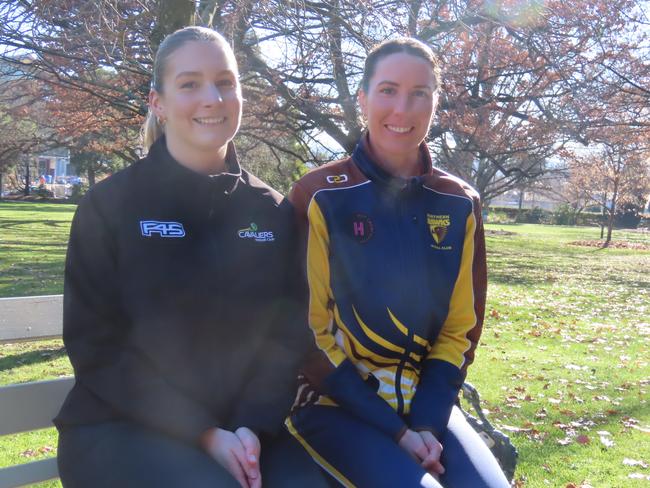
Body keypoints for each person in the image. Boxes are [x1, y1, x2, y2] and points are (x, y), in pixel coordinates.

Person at [55, 26, 326, 488]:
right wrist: (201, 433)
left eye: (225, 81)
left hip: (245, 433)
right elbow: (96, 346)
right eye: (189, 83)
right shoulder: (111, 206)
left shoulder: (273, 212)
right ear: (157, 102)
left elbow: (284, 337)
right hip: (118, 429)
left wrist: (250, 429)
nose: (213, 98)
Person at [285, 38, 510, 488]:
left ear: (435, 102)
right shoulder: (318, 196)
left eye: (419, 93)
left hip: (427, 408)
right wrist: (397, 432)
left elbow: (458, 330)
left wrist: (425, 423)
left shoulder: (460, 202)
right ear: (363, 98)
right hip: (335, 405)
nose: (402, 109)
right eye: (387, 90)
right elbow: (308, 334)